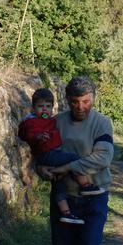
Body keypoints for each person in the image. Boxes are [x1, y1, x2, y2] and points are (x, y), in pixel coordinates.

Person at [38, 76, 114, 245]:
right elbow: (42, 153)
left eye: (86, 101)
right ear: (66, 100)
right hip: (64, 200)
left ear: (93, 99)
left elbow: (103, 157)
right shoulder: (55, 122)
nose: (80, 107)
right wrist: (41, 169)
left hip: (94, 200)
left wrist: (68, 167)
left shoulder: (102, 123)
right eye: (74, 102)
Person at [18, 88, 105, 225]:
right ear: (33, 108)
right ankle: (86, 185)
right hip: (48, 154)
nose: (44, 110)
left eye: (48, 107)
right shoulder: (31, 122)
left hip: (48, 154)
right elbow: (28, 134)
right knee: (73, 159)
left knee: (58, 185)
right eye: (40, 107)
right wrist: (38, 137)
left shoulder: (51, 120)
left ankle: (66, 213)